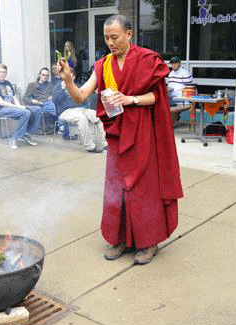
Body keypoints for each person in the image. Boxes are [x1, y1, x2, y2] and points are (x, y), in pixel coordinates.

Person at [58, 15, 183, 265]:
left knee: (143, 189)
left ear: (129, 34)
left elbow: (157, 98)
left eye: (114, 37)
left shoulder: (147, 60)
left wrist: (130, 99)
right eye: (106, 38)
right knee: (117, 189)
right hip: (117, 136)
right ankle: (121, 238)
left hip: (143, 135)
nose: (110, 42)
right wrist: (69, 80)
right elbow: (81, 97)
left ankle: (149, 242)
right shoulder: (103, 65)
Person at [0, 64, 43, 149]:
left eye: (4, 72)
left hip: (12, 108)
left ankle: (27, 134)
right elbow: (1, 102)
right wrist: (19, 108)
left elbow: (14, 98)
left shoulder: (8, 83)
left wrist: (20, 106)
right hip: (0, 110)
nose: (2, 74)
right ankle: (15, 137)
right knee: (26, 112)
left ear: (6, 73)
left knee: (37, 109)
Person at [53, 67, 107, 153]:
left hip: (80, 109)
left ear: (73, 77)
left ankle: (105, 143)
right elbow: (55, 100)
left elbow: (84, 100)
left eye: (71, 75)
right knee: (81, 118)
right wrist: (62, 89)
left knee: (98, 115)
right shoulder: (58, 86)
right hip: (66, 111)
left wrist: (92, 93)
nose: (69, 77)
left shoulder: (77, 87)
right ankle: (90, 146)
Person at [23, 67, 56, 133]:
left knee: (53, 105)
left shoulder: (50, 85)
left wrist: (52, 97)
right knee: (51, 107)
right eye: (43, 75)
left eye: (47, 75)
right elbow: (25, 98)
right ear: (39, 75)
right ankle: (59, 124)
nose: (45, 77)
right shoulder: (32, 85)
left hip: (49, 103)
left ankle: (57, 125)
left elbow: (55, 95)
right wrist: (32, 101)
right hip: (38, 104)